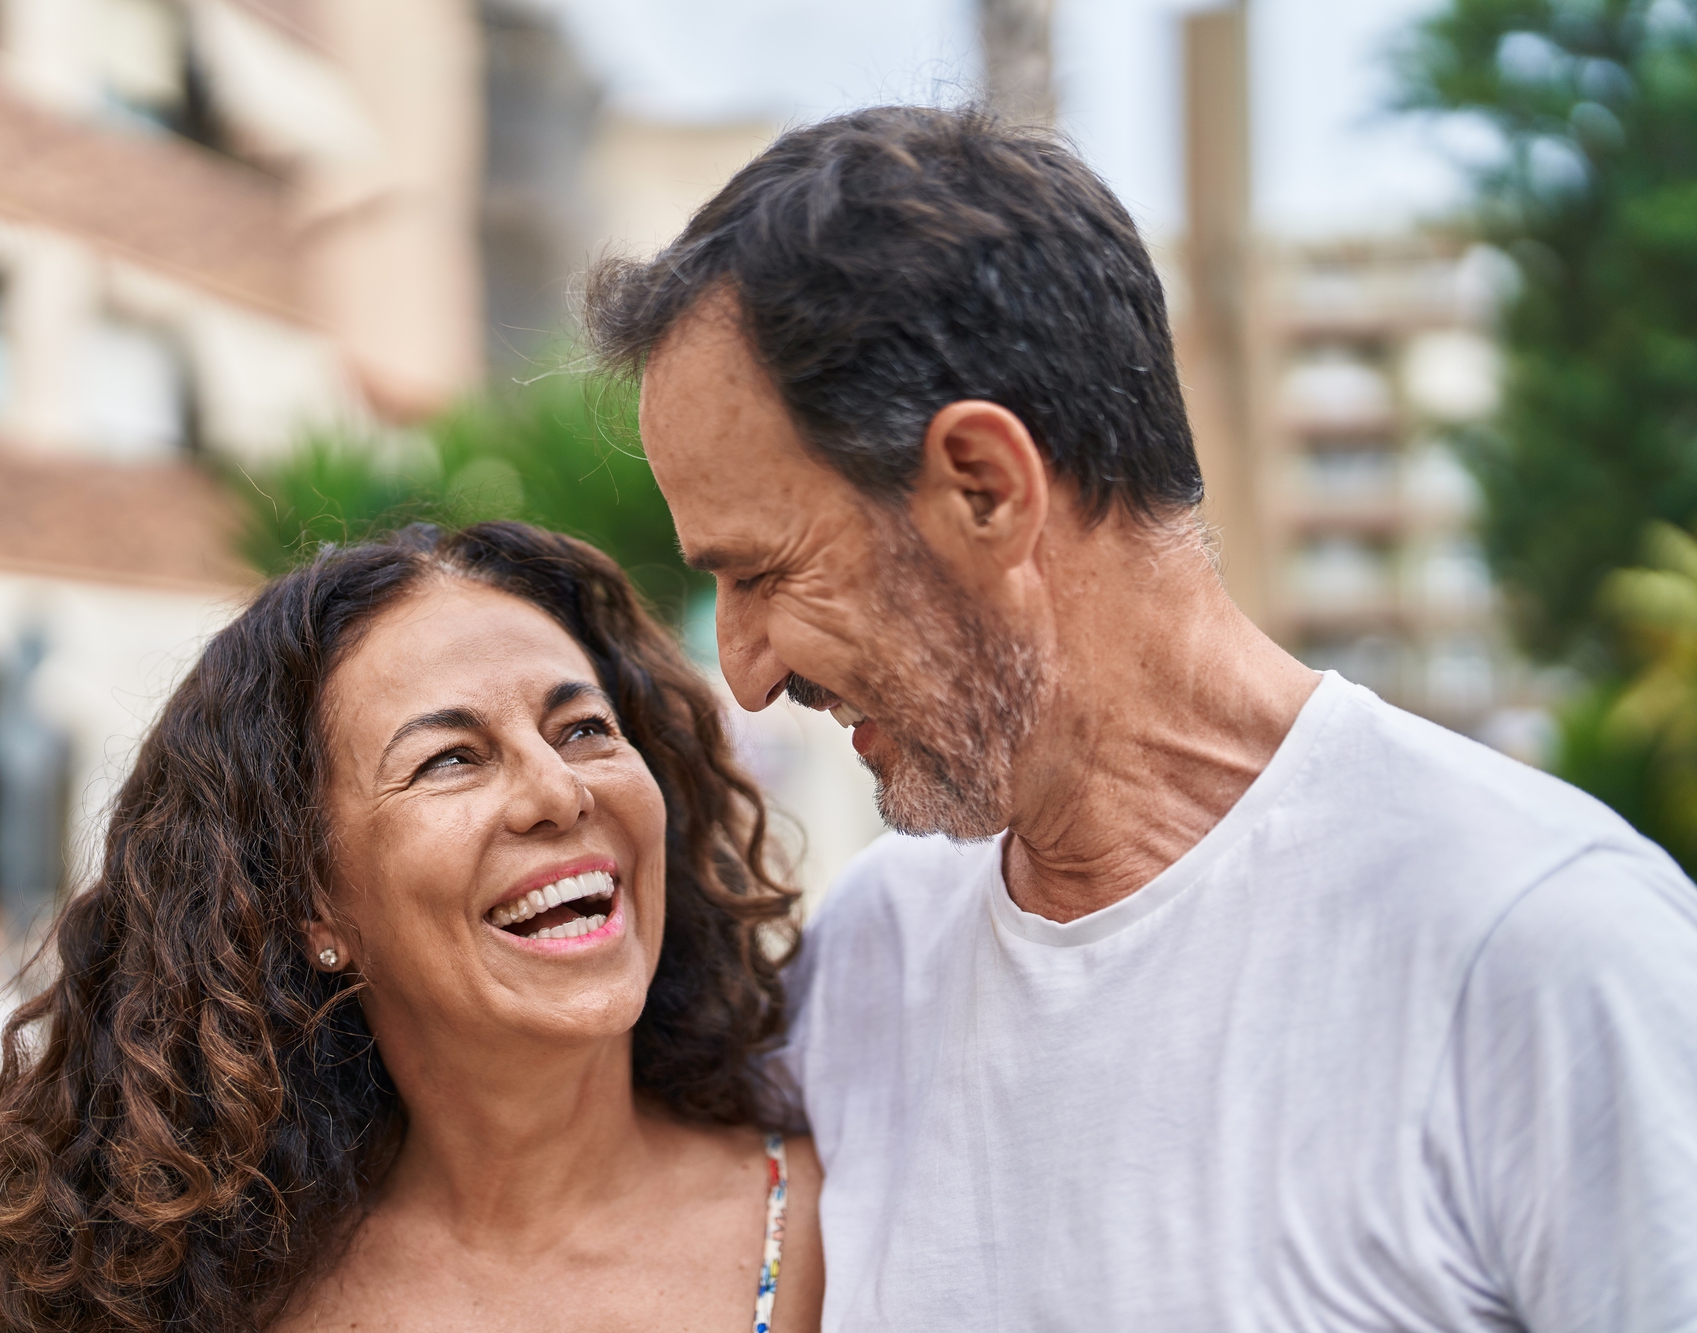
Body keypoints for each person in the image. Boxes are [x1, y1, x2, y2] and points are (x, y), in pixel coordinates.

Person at [586, 105, 1697, 1329]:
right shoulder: (867, 960)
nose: (740, 673)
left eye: (762, 571)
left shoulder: (1540, 944)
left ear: (983, 487)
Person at [0, 522, 823, 1333]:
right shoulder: (189, 1293)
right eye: (450, 759)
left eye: (584, 727)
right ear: (312, 905)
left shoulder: (848, 1224)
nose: (559, 791)